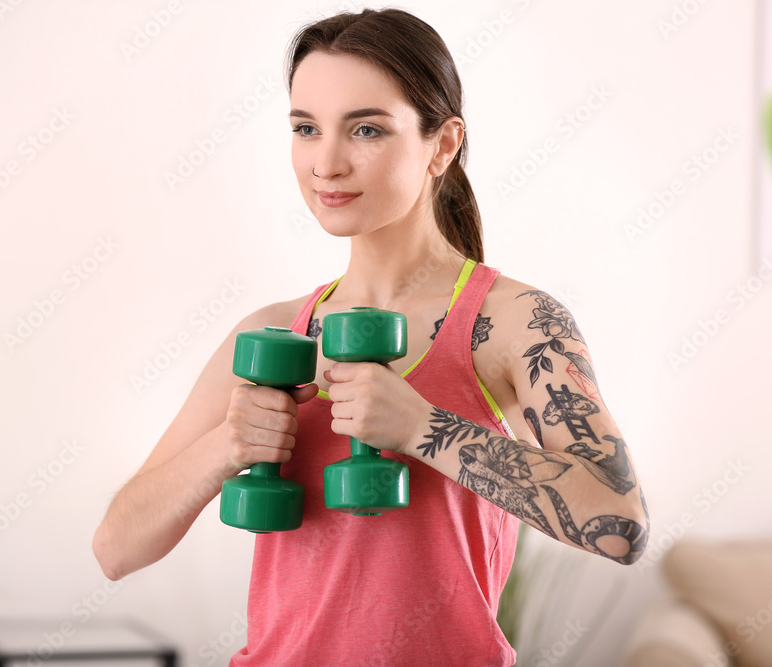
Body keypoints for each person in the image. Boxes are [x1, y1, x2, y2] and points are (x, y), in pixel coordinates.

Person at [93, 7, 648, 665]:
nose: (326, 162)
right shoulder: (272, 331)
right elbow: (115, 547)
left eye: (366, 129)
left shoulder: (516, 322)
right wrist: (228, 445)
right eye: (305, 128)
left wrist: (424, 427)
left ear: (442, 144)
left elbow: (621, 524)